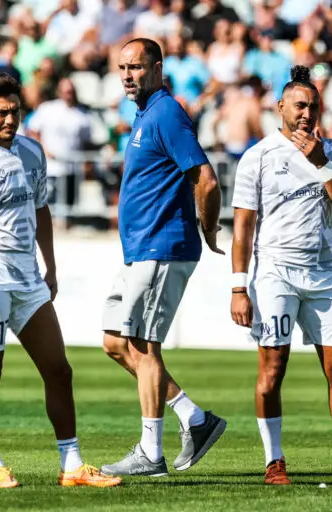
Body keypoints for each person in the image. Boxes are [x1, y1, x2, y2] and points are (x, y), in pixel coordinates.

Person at [0, 74, 121, 490]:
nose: (10, 119)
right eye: (1, 112)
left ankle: (72, 465)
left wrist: (50, 267)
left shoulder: (32, 152)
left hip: (29, 280)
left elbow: (41, 210)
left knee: (59, 370)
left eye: (15, 111)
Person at [229, 65, 332, 488]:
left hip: (322, 272)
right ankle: (274, 462)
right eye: (300, 106)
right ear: (280, 107)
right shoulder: (258, 156)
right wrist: (238, 287)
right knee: (272, 369)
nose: (307, 114)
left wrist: (321, 164)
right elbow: (243, 228)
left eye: (313, 107)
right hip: (275, 272)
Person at [99, 38, 227, 478]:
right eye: (122, 68)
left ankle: (150, 453)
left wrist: (208, 228)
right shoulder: (145, 114)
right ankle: (193, 416)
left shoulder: (168, 112)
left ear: (157, 68)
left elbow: (206, 180)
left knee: (143, 346)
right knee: (116, 343)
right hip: (138, 250)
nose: (128, 75)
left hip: (162, 246)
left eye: (136, 67)